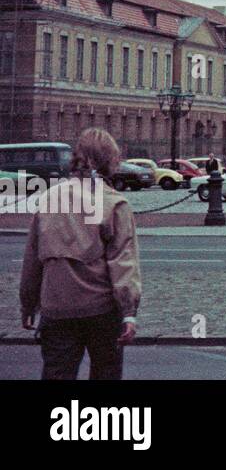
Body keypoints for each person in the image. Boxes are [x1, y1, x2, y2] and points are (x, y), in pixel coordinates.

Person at [20, 128, 142, 381]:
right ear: (110, 160)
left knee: (56, 375)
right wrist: (129, 312)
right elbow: (123, 263)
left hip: (56, 307)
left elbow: (32, 258)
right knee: (106, 375)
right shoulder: (113, 202)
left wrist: (28, 304)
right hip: (102, 309)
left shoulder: (49, 197)